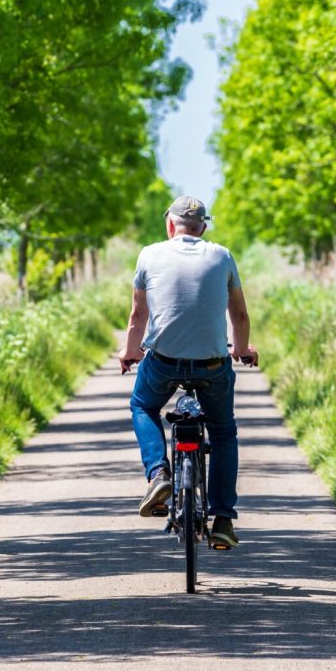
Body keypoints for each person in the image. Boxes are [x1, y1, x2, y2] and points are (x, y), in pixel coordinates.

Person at [118, 195, 258, 550]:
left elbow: (138, 315)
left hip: (163, 361)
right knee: (223, 432)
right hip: (212, 364)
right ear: (203, 228)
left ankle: (159, 474)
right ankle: (223, 518)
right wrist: (241, 349)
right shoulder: (222, 255)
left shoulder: (149, 254)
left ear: (170, 226)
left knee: (143, 406)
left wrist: (130, 352)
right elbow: (239, 316)